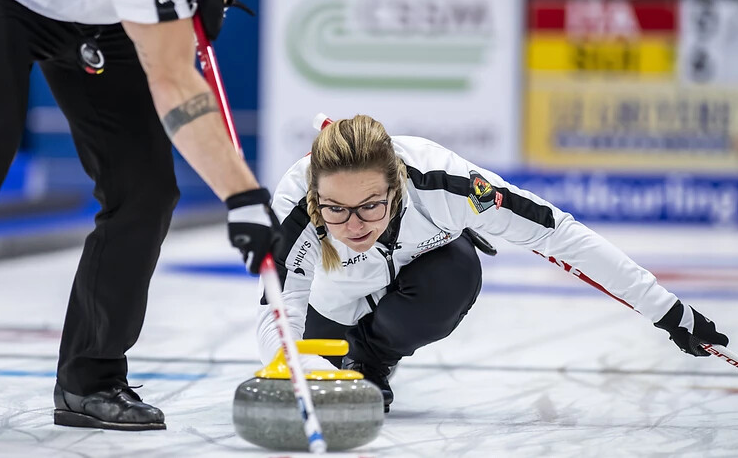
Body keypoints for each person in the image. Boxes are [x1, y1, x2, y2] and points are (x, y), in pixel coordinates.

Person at [0, 0, 277, 431]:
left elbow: (175, 80)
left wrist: (243, 197)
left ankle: (89, 380)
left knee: (145, 189)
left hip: (106, 23)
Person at [255, 114, 730, 413]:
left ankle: (370, 360)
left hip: (429, 268)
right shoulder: (297, 202)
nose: (353, 224)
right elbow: (279, 303)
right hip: (333, 299)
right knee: (317, 353)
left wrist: (666, 311)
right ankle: (340, 353)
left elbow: (557, 233)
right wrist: (297, 362)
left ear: (398, 185)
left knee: (457, 271)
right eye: (336, 210)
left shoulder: (447, 183)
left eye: (370, 205)